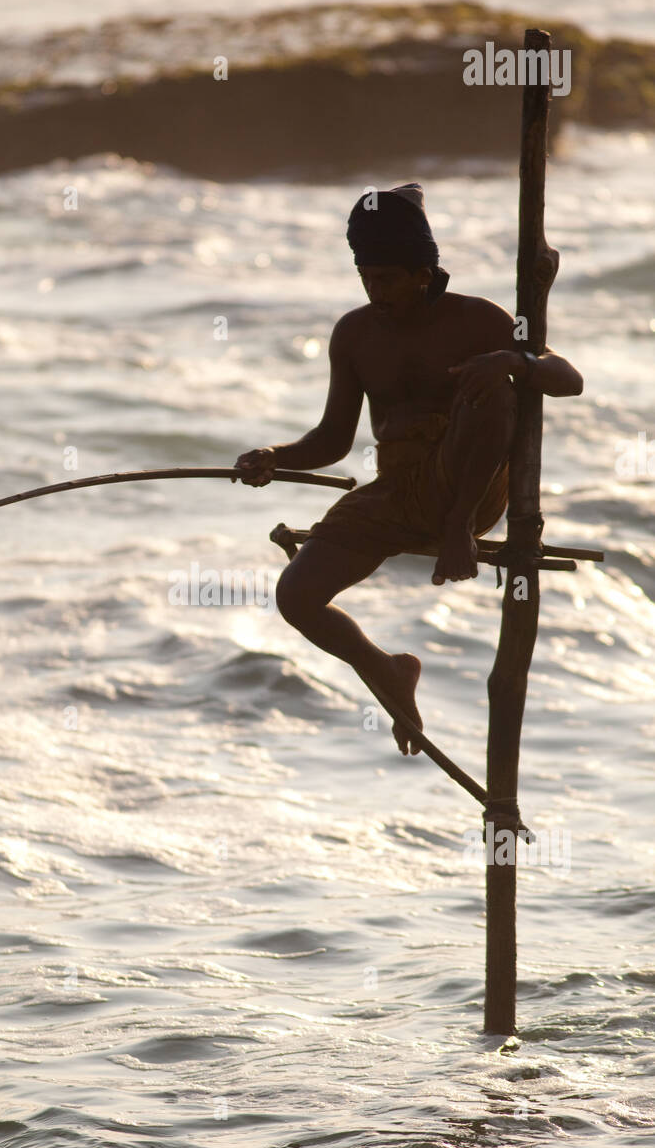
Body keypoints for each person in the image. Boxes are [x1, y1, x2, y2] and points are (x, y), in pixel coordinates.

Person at [234, 183, 583, 756]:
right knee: (296, 596)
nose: (376, 292)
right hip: (396, 491)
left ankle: (455, 530)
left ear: (424, 272)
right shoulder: (354, 333)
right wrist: (275, 457)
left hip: (466, 489)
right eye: (366, 278)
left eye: (389, 279)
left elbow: (567, 378)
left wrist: (512, 359)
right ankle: (388, 671)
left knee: (494, 390)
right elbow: (331, 439)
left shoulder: (479, 320)